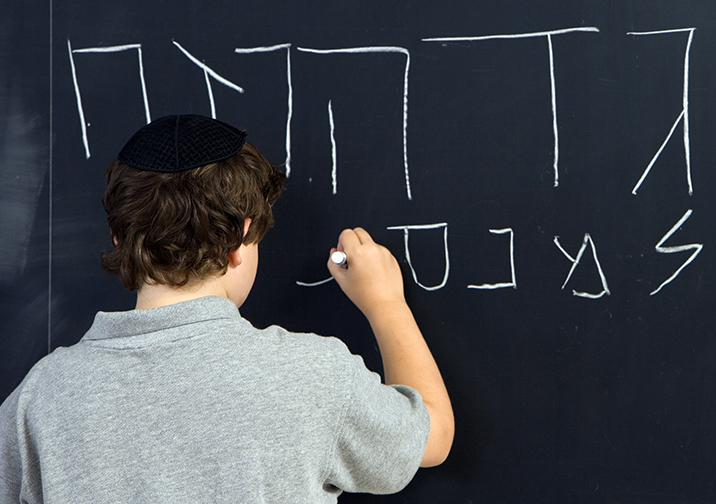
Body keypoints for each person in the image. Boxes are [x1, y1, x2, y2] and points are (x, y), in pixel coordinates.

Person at [0, 114, 454, 502]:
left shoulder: (38, 400)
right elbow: (431, 436)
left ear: (118, 237)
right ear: (240, 239)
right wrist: (385, 303)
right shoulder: (310, 375)